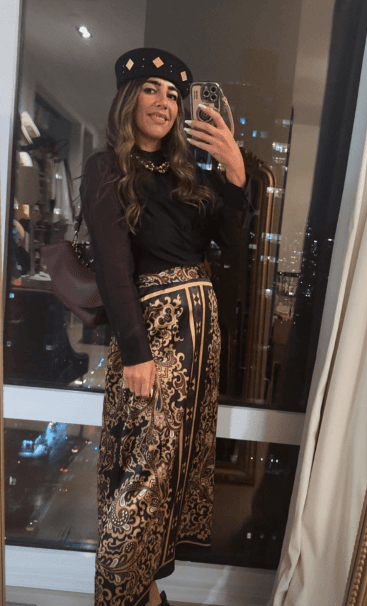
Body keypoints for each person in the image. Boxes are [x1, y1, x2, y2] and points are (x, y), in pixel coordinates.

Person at [80, 47, 252, 606]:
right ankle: (121, 595)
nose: (165, 102)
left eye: (174, 95)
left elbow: (230, 240)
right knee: (140, 476)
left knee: (172, 470)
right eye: (152, 90)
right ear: (129, 99)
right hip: (154, 337)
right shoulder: (107, 168)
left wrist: (234, 170)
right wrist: (135, 351)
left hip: (199, 339)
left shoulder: (185, 174)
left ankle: (149, 595)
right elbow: (112, 266)